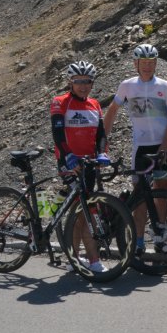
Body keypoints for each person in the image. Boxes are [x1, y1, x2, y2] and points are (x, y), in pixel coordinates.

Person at [102, 44, 167, 257]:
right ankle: (137, 241)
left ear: (156, 64)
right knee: (139, 195)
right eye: (143, 62)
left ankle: (161, 238)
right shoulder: (127, 86)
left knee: (161, 192)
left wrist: (163, 148)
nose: (147, 66)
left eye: (151, 63)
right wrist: (103, 141)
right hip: (141, 148)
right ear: (135, 64)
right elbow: (112, 111)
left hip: (163, 146)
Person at [51, 61, 109, 272]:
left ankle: (82, 259)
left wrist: (102, 152)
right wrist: (68, 156)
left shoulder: (94, 104)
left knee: (86, 212)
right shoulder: (60, 102)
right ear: (71, 82)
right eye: (78, 82)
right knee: (82, 212)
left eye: (87, 82)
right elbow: (58, 134)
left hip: (89, 163)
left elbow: (101, 134)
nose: (83, 86)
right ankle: (83, 260)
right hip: (70, 163)